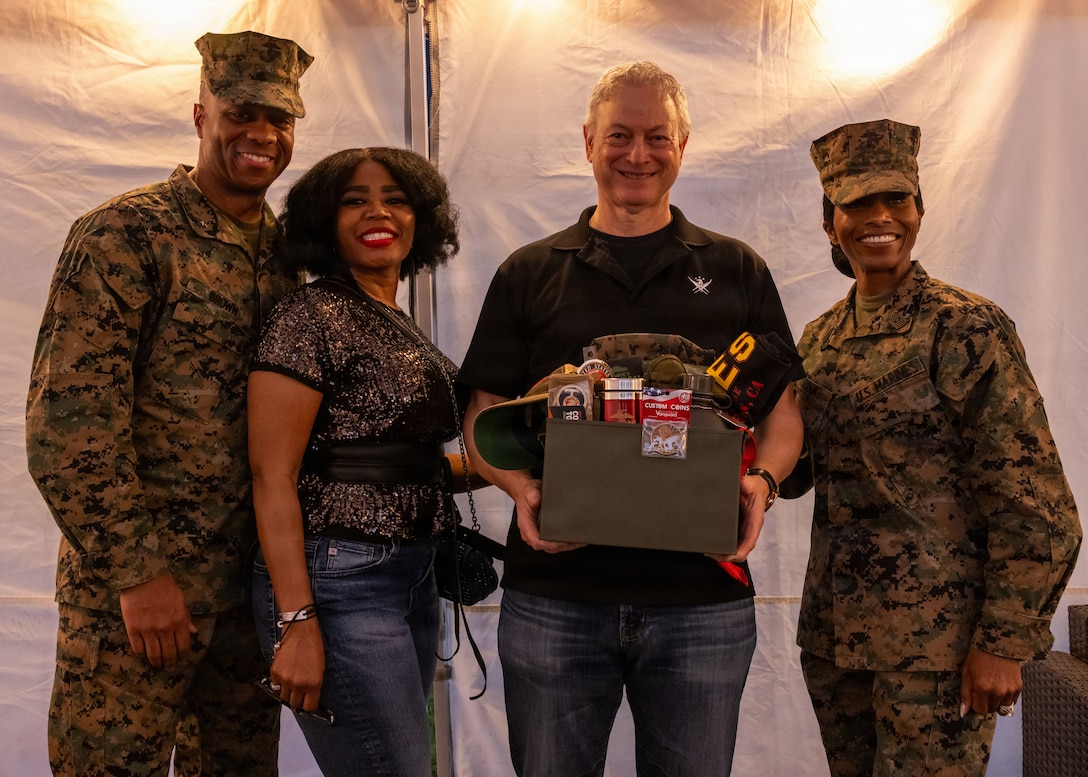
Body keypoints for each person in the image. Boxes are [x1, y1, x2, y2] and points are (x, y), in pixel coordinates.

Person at [458, 61, 805, 777]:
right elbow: (484, 413)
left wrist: (763, 482)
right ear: (588, 142)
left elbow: (785, 413)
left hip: (701, 599)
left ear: (683, 145)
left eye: (656, 137)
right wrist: (521, 489)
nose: (636, 155)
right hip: (557, 597)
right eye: (619, 135)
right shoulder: (529, 271)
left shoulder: (737, 269)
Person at [25, 30, 313, 776]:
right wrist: (137, 574)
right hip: (135, 606)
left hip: (244, 609)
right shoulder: (127, 236)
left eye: (279, 119)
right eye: (241, 111)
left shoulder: (287, 263)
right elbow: (68, 424)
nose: (261, 133)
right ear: (200, 113)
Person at [794, 118, 1083, 776]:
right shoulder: (820, 339)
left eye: (896, 198)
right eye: (857, 202)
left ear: (919, 207)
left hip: (937, 655)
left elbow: (1035, 502)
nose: (879, 217)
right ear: (829, 218)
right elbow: (797, 470)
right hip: (837, 646)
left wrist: (1004, 641)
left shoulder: (962, 326)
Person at [247, 147, 465, 777]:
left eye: (396, 198)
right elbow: (274, 476)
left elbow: (392, 463)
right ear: (324, 221)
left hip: (410, 574)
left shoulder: (393, 315)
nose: (379, 212)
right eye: (355, 200)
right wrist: (297, 621)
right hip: (338, 579)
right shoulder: (306, 316)